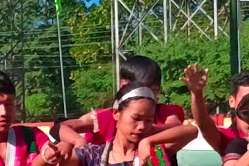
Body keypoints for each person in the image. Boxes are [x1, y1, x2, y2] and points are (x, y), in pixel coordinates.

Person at [57, 55, 185, 147]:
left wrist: (151, 130)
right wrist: (80, 143)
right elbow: (61, 127)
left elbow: (178, 127)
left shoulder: (164, 112)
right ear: (124, 86)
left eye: (154, 90)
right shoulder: (102, 118)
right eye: (136, 118)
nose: (149, 96)